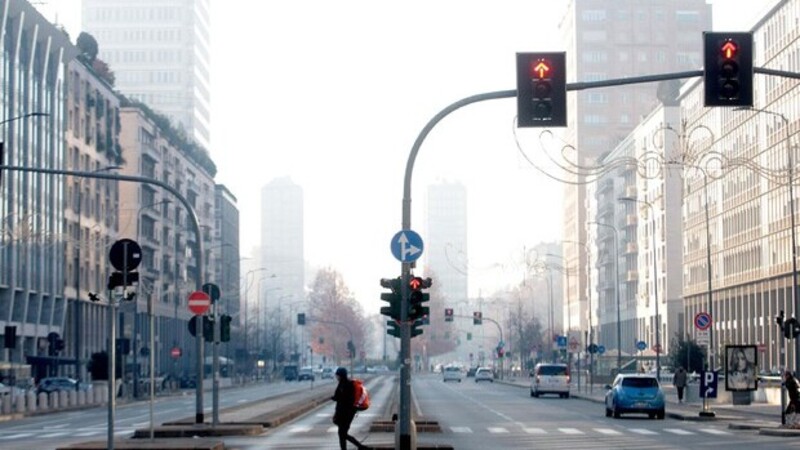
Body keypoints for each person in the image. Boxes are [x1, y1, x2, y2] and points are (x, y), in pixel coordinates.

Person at [331, 367, 370, 450]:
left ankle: (361, 447)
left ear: (341, 375)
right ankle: (357, 447)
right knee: (342, 434)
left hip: (346, 414)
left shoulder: (345, 385)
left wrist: (335, 398)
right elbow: (339, 397)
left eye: (337, 375)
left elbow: (343, 398)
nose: (336, 377)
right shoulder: (344, 383)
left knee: (343, 434)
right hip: (346, 413)